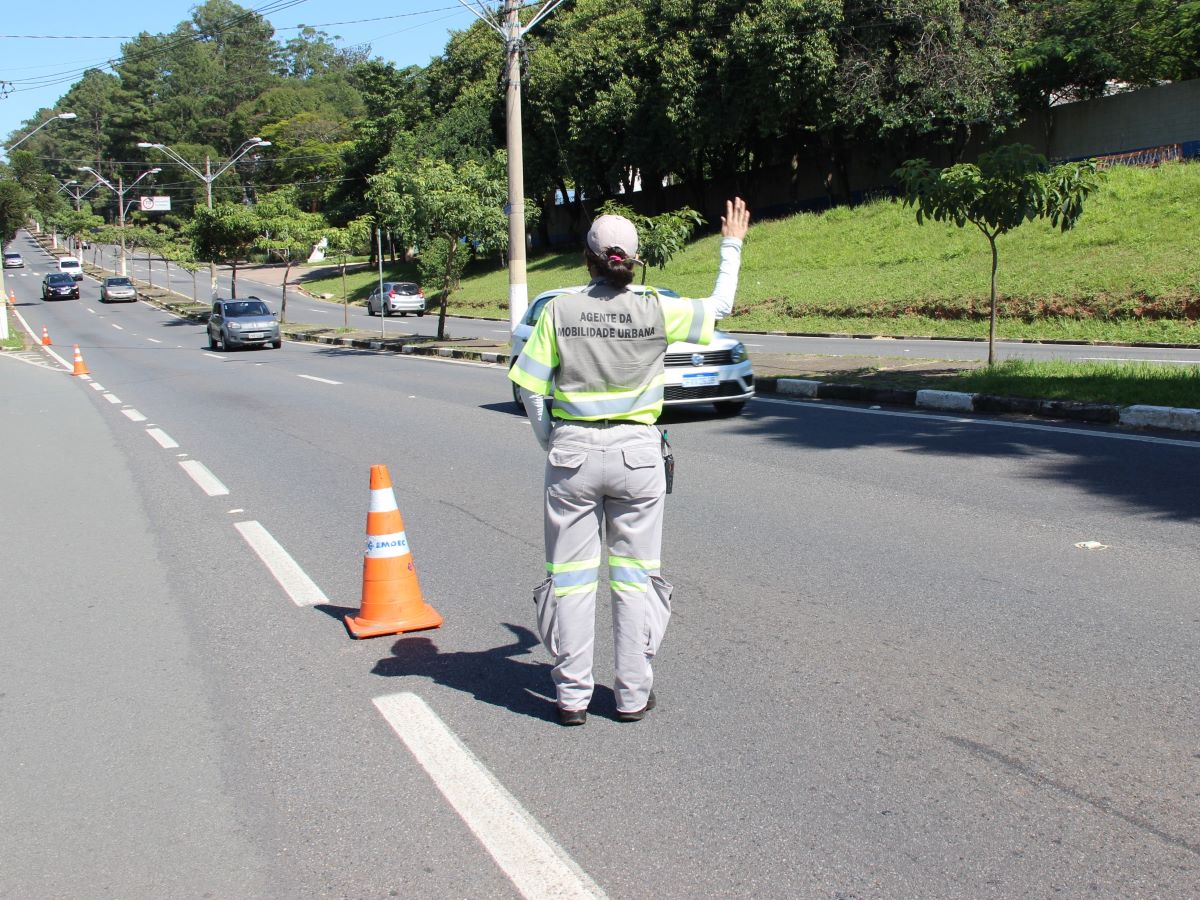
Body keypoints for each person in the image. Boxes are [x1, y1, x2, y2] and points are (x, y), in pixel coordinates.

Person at [508, 198, 751, 726]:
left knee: (571, 579)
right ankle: (631, 696)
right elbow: (721, 307)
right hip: (638, 456)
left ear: (587, 259)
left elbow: (527, 386)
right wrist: (731, 243)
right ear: (635, 261)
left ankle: (572, 698)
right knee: (635, 577)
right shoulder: (657, 308)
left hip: (573, 454)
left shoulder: (559, 310)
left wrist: (552, 439)